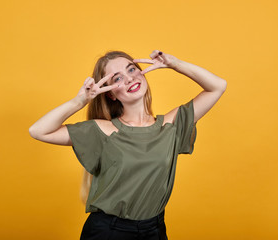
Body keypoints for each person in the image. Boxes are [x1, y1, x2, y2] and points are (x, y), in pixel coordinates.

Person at [29, 50, 227, 240]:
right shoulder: (102, 131)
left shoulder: (170, 126)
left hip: (154, 230)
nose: (129, 78)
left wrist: (174, 64)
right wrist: (81, 100)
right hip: (109, 232)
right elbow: (38, 130)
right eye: (117, 78)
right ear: (111, 94)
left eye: (131, 69)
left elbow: (218, 85)